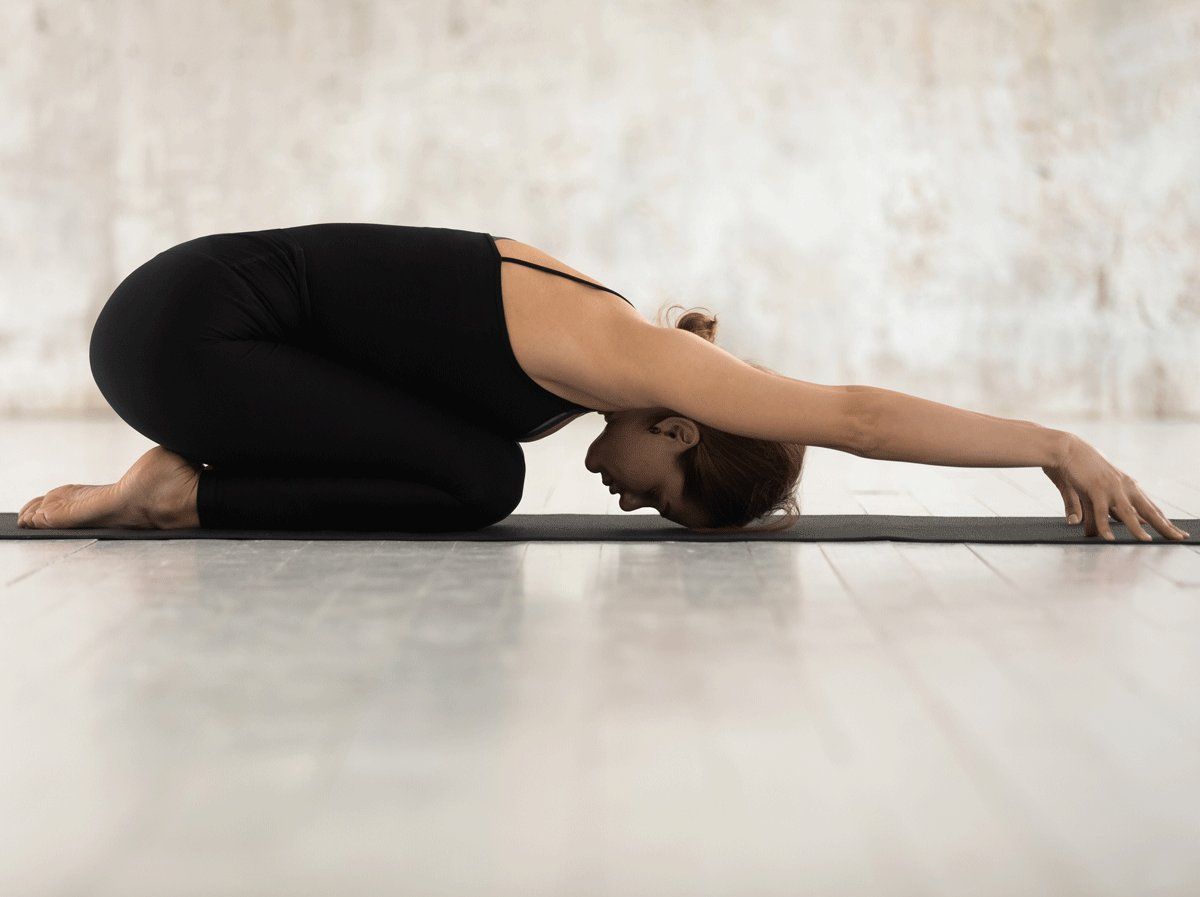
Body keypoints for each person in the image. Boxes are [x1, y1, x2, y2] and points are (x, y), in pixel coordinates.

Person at [16, 224, 1191, 541]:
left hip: (191, 324)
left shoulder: (596, 357)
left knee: (477, 468)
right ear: (681, 427)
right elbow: (858, 419)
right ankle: (167, 497)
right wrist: (1052, 444)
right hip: (185, 334)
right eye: (664, 495)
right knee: (479, 481)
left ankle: (183, 483)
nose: (630, 501)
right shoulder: (631, 360)